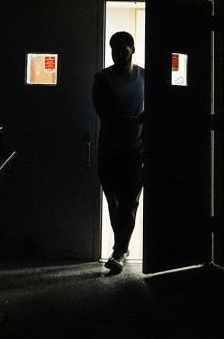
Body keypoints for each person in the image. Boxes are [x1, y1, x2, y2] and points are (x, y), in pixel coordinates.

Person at [91, 30, 144, 273]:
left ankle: (120, 250)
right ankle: (120, 248)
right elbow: (104, 114)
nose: (117, 54)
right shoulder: (102, 78)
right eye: (113, 50)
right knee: (114, 201)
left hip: (135, 151)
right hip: (110, 150)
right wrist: (135, 120)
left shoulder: (145, 77)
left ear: (132, 49)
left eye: (122, 49)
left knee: (129, 203)